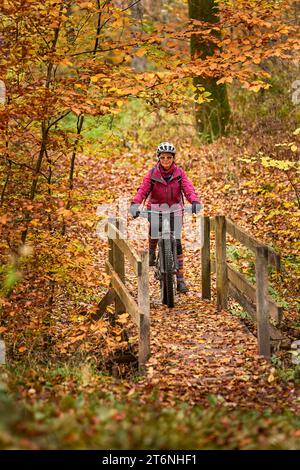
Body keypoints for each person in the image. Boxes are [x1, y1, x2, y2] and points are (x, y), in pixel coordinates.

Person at [129, 142, 202, 293]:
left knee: (177, 241)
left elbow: (188, 188)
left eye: (169, 158)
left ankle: (180, 279)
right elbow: (143, 189)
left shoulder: (179, 173)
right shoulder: (152, 174)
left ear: (173, 158)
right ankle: (151, 251)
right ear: (158, 158)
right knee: (155, 229)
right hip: (155, 208)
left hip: (175, 209)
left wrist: (194, 201)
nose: (166, 161)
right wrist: (135, 204)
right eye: (163, 158)